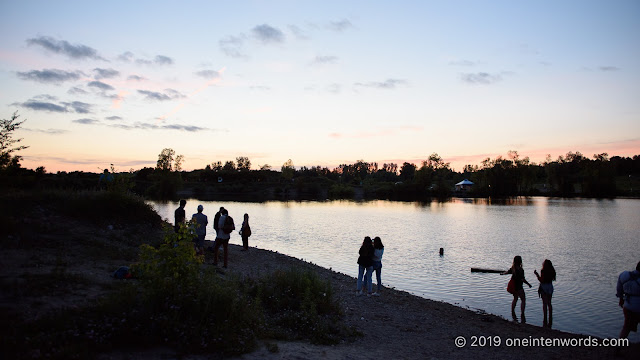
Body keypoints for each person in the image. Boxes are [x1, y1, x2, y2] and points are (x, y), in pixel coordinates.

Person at [501, 255, 532, 321]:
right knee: (523, 300)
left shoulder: (513, 268)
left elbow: (507, 272)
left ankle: (512, 312)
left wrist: (503, 273)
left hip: (513, 287)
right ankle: (522, 314)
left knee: (515, 298)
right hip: (519, 287)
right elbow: (523, 279)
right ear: (520, 261)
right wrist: (528, 284)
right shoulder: (521, 270)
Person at [616, 261, 640, 340]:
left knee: (626, 328)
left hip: (628, 307)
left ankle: (618, 347)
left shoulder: (624, 275)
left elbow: (619, 290)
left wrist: (621, 300)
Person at [534, 259, 556, 328]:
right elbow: (552, 279)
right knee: (549, 303)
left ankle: (545, 318)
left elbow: (542, 280)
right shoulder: (552, 271)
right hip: (550, 286)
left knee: (544, 303)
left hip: (544, 287)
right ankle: (550, 318)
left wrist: (537, 275)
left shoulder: (543, 271)